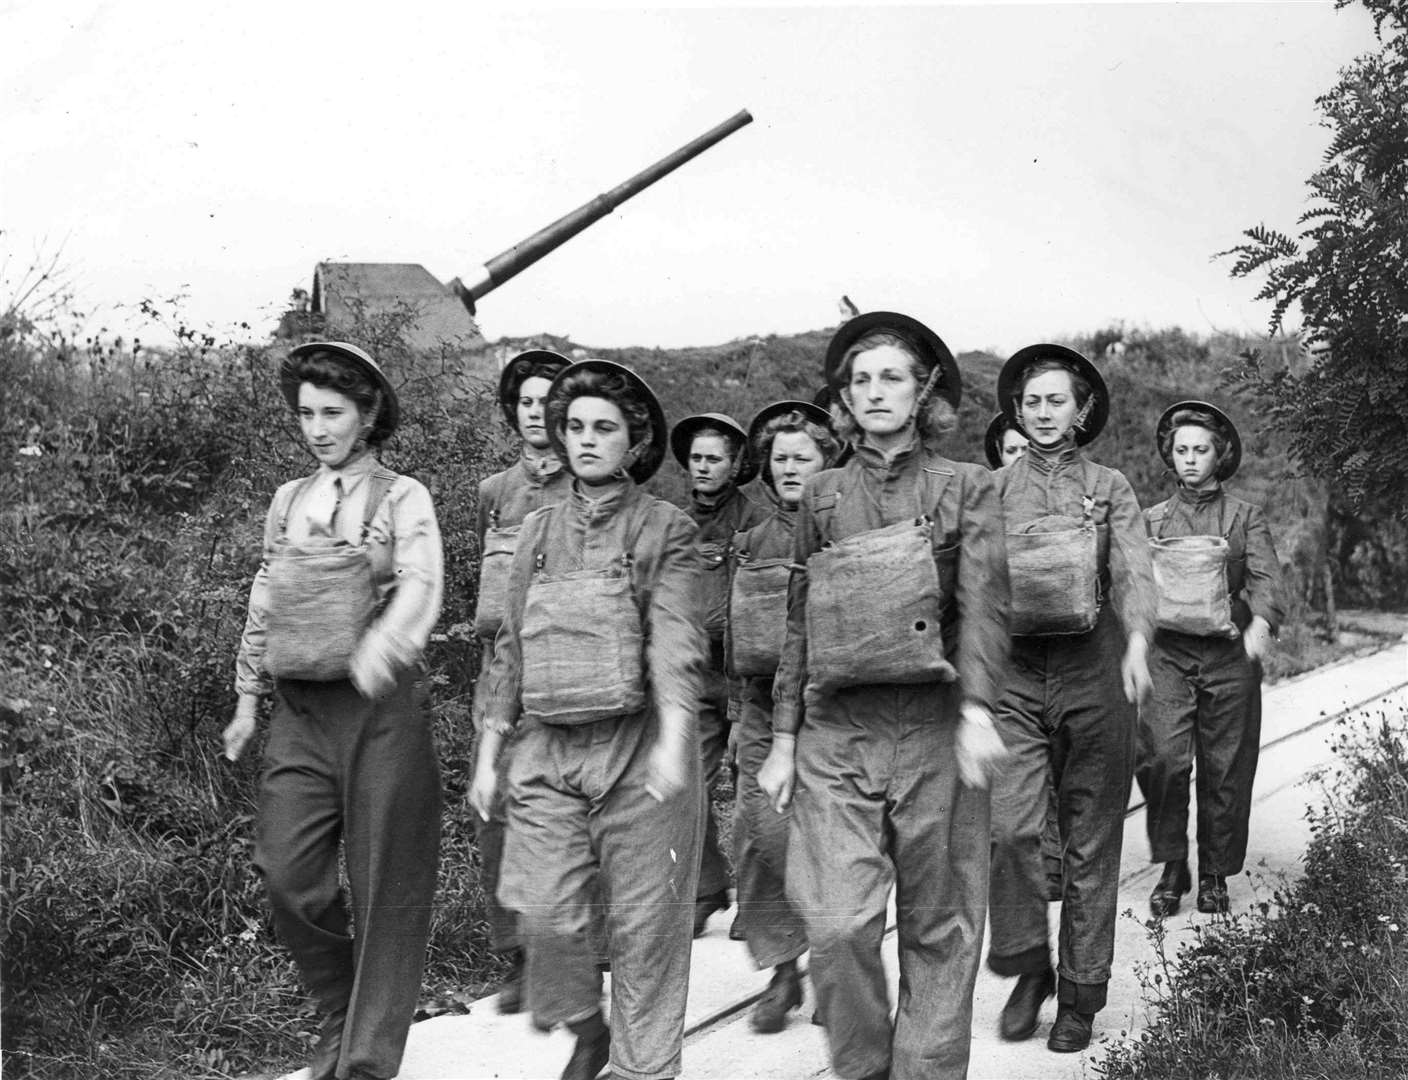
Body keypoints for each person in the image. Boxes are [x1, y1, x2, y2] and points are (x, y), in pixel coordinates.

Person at [759, 312, 1010, 1080]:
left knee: (940, 929)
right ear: (844, 396)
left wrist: (975, 712)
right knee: (836, 925)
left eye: (891, 376)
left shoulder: (968, 487)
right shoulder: (823, 494)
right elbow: (799, 617)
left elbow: (985, 606)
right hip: (839, 731)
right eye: (860, 379)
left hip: (936, 731)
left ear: (924, 390)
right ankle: (864, 1068)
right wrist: (782, 739)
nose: (873, 392)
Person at [470, 359, 706, 1080]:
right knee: (541, 913)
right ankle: (585, 1024)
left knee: (644, 933)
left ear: (635, 441)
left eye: (605, 427)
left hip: (640, 755)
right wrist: (487, 756)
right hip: (546, 752)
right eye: (574, 426)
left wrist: (673, 741)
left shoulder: (667, 528)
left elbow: (675, 643)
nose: (586, 440)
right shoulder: (536, 532)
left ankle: (644, 1069)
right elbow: (509, 651)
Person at [225, 341, 443, 1080]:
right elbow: (267, 592)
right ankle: (337, 1009)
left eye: (333, 412)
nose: (317, 428)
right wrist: (246, 697)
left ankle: (365, 1062)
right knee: (288, 875)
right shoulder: (289, 500)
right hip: (300, 712)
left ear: (368, 413)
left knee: (388, 887)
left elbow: (421, 583)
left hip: (378, 709)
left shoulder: (402, 495)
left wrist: (378, 651)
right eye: (306, 413)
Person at [986, 344, 1155, 1054]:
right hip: (1016, 677)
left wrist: (1139, 645)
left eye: (1058, 401)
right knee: (1009, 828)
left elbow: (1136, 569)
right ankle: (1029, 967)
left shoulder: (1111, 486)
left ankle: (1080, 997)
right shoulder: (992, 490)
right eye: (1033, 403)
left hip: (1095, 673)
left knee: (1090, 840)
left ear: (1082, 411)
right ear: (1017, 413)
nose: (1044, 413)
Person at [1137, 401, 1283, 917]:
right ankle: (1173, 864)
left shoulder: (1245, 516)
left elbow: (1265, 579)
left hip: (1229, 657)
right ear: (1170, 457)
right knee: (1162, 759)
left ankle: (1216, 871)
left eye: (1201, 450)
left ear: (1220, 456)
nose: (1191, 460)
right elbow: (1132, 587)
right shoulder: (1151, 520)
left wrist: (1261, 623)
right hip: (1168, 656)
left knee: (1225, 767)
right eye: (1182, 451)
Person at [725, 399, 842, 1034]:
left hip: (830, 712)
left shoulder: (842, 527)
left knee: (830, 844)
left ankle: (832, 964)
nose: (791, 466)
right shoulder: (749, 541)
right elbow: (733, 639)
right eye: (780, 457)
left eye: (805, 456)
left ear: (829, 462)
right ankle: (781, 968)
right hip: (760, 711)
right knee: (761, 839)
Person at [471, 348, 573, 1011]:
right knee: (496, 816)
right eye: (525, 403)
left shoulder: (587, 485)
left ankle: (576, 954)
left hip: (570, 680)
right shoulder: (494, 493)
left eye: (546, 402)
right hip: (502, 680)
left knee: (572, 823)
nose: (535, 414)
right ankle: (514, 959)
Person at [669, 412, 768, 936]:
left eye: (715, 458)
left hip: (746, 675)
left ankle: (756, 905)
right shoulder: (675, 522)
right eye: (697, 458)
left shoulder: (755, 519)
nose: (703, 467)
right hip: (694, 673)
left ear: (736, 464)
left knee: (753, 793)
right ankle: (707, 888)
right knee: (690, 787)